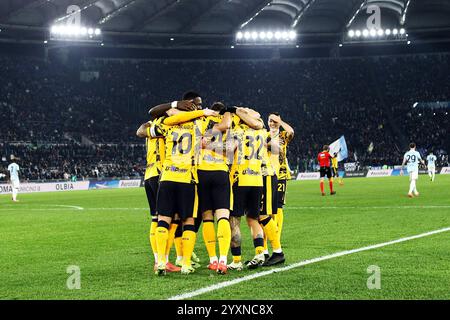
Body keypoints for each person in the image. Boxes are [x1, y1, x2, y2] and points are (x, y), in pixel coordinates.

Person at [267, 113, 294, 243]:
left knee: (278, 207)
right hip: (266, 174)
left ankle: (277, 236)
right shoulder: (263, 136)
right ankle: (269, 234)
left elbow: (291, 131)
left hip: (281, 174)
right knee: (267, 209)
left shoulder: (283, 136)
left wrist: (281, 121)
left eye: (275, 121)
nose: (272, 123)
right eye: (270, 121)